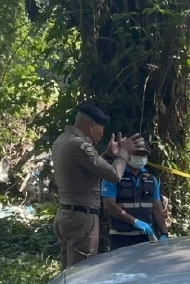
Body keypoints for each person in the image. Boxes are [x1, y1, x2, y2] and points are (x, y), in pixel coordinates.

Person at [50, 104, 142, 268]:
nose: (102, 134)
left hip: (66, 214)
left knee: (67, 272)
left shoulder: (62, 140)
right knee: (82, 273)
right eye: (101, 129)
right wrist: (124, 153)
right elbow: (114, 175)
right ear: (92, 126)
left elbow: (88, 168)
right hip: (82, 219)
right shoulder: (79, 145)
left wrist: (107, 155)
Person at [102, 139, 168, 249]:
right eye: (137, 153)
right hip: (122, 237)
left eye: (143, 154)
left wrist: (164, 233)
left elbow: (157, 208)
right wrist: (134, 221)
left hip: (147, 237)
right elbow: (110, 206)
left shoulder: (151, 180)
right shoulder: (114, 177)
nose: (140, 157)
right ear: (127, 154)